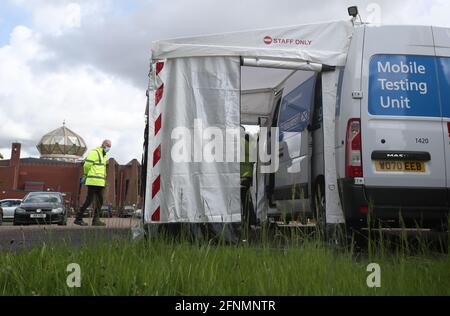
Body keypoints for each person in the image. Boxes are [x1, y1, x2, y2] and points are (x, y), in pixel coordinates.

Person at [74, 139, 112, 226]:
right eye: (108, 145)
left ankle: (95, 220)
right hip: (93, 181)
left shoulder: (104, 155)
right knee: (89, 200)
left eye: (110, 146)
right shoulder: (95, 152)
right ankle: (78, 218)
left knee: (100, 201)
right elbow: (87, 165)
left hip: (99, 182)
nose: (108, 148)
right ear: (103, 144)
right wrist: (86, 174)